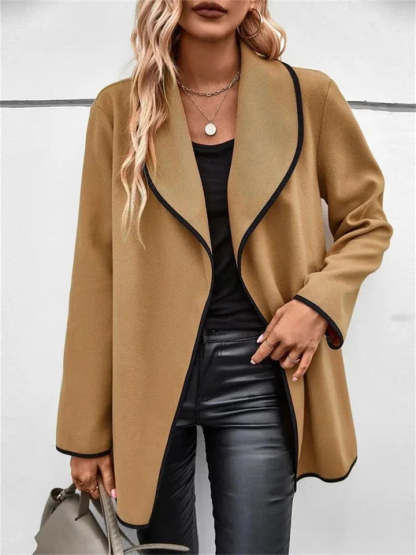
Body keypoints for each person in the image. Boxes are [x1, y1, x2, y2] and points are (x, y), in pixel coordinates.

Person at [55, 1, 394, 554]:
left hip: (259, 370)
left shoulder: (309, 97)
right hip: (147, 378)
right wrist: (85, 432)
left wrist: (317, 305)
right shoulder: (119, 109)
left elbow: (367, 222)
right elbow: (96, 271)